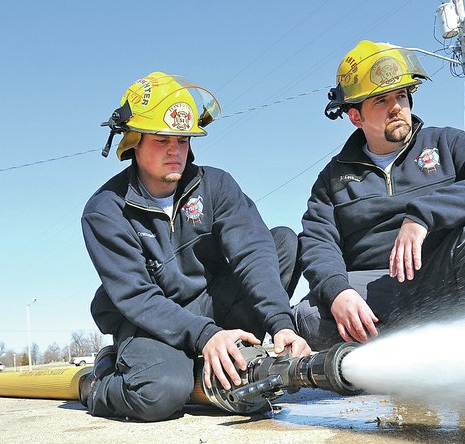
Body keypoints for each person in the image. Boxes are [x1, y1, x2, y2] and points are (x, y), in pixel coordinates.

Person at [80, 72, 310, 421]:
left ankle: (222, 357)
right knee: (160, 394)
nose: (175, 150)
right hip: (150, 321)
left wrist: (282, 324)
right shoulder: (105, 211)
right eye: (162, 140)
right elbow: (137, 297)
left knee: (281, 243)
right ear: (134, 141)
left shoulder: (215, 185)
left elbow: (252, 251)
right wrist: (205, 336)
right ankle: (100, 380)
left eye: (183, 139)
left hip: (211, 306)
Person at [294, 41, 465, 350]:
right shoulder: (332, 179)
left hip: (449, 282)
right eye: (381, 100)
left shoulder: (447, 143)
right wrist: (338, 292)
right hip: (379, 298)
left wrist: (421, 215)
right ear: (355, 117)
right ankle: (411, 356)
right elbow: (317, 242)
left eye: (401, 96)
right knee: (308, 316)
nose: (396, 107)